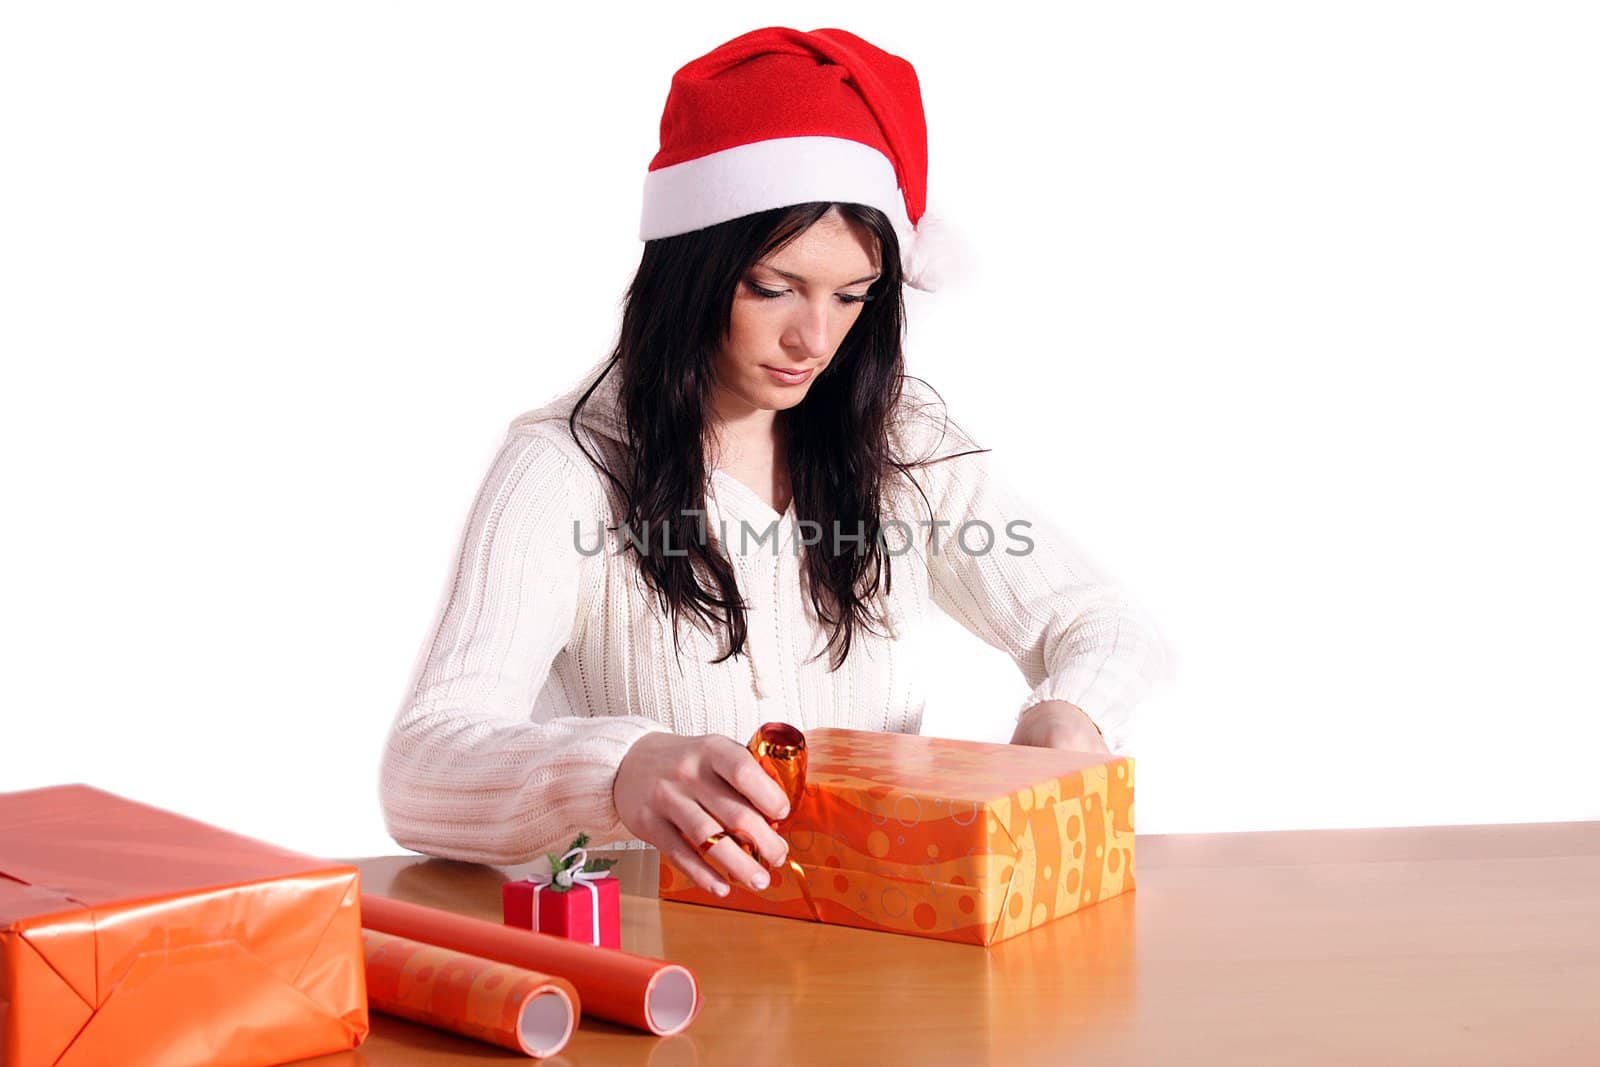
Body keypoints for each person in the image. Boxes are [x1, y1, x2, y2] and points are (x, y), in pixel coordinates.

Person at [378, 27, 1166, 900]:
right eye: (773, 287)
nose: (814, 339)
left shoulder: (900, 444)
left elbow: (1103, 620)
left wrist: (1071, 712)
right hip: (666, 978)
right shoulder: (565, 467)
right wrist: (621, 769)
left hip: (879, 960)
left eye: (852, 296)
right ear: (693, 268)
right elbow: (421, 768)